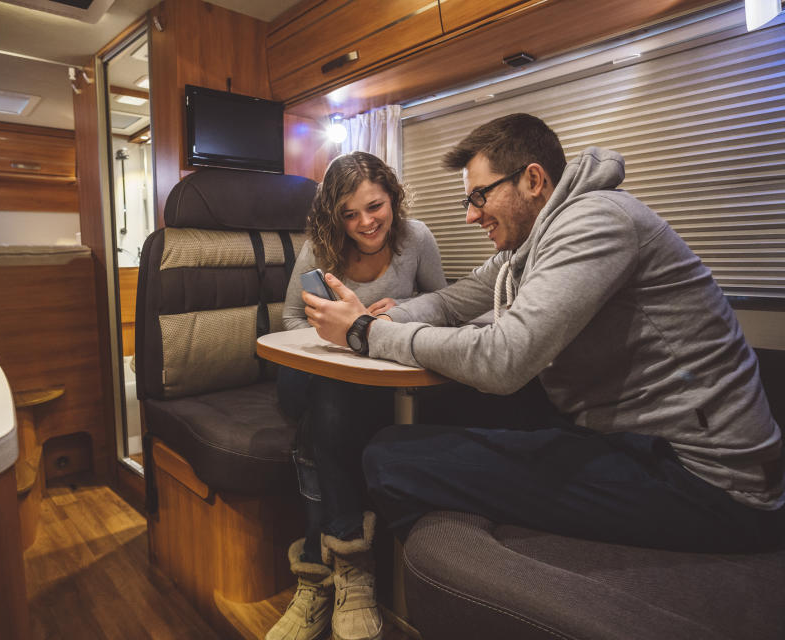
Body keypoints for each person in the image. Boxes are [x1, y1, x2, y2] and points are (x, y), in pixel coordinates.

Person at [303, 113, 784, 557]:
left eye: (479, 196)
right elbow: (455, 299)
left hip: (702, 480)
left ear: (533, 180)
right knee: (411, 414)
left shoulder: (596, 221)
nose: (472, 216)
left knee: (391, 458)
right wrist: (381, 319)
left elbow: (504, 358)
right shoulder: (531, 246)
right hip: (625, 437)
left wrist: (366, 334)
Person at [269, 151, 445, 640]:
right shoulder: (320, 249)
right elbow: (289, 320)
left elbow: (445, 303)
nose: (365, 222)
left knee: (318, 433)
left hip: (373, 379)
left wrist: (405, 310)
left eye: (375, 206)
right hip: (309, 373)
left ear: (392, 196)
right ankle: (354, 569)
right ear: (334, 216)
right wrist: (334, 337)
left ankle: (317, 575)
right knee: (330, 393)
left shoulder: (417, 240)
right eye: (350, 214)